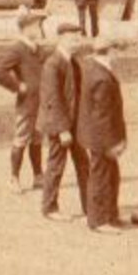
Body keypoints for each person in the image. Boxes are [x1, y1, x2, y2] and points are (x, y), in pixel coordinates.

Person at [0, 9, 48, 192]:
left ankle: (38, 176)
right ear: (26, 28)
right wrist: (18, 86)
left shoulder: (36, 48)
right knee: (21, 138)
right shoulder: (17, 49)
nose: (39, 28)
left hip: (40, 101)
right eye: (37, 25)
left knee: (37, 138)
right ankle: (14, 178)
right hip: (27, 102)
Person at [74, 34, 126, 233]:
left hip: (93, 134)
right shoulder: (102, 78)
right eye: (115, 51)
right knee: (101, 177)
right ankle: (98, 221)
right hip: (102, 137)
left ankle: (110, 215)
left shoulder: (90, 67)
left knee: (109, 175)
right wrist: (112, 144)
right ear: (110, 51)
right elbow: (103, 115)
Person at [38, 23, 89, 221]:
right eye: (73, 38)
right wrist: (62, 130)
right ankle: (49, 208)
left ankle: (90, 206)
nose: (78, 42)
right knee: (56, 165)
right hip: (59, 125)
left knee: (84, 164)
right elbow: (53, 99)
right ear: (61, 39)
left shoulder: (73, 62)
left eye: (79, 38)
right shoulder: (53, 64)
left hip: (74, 124)